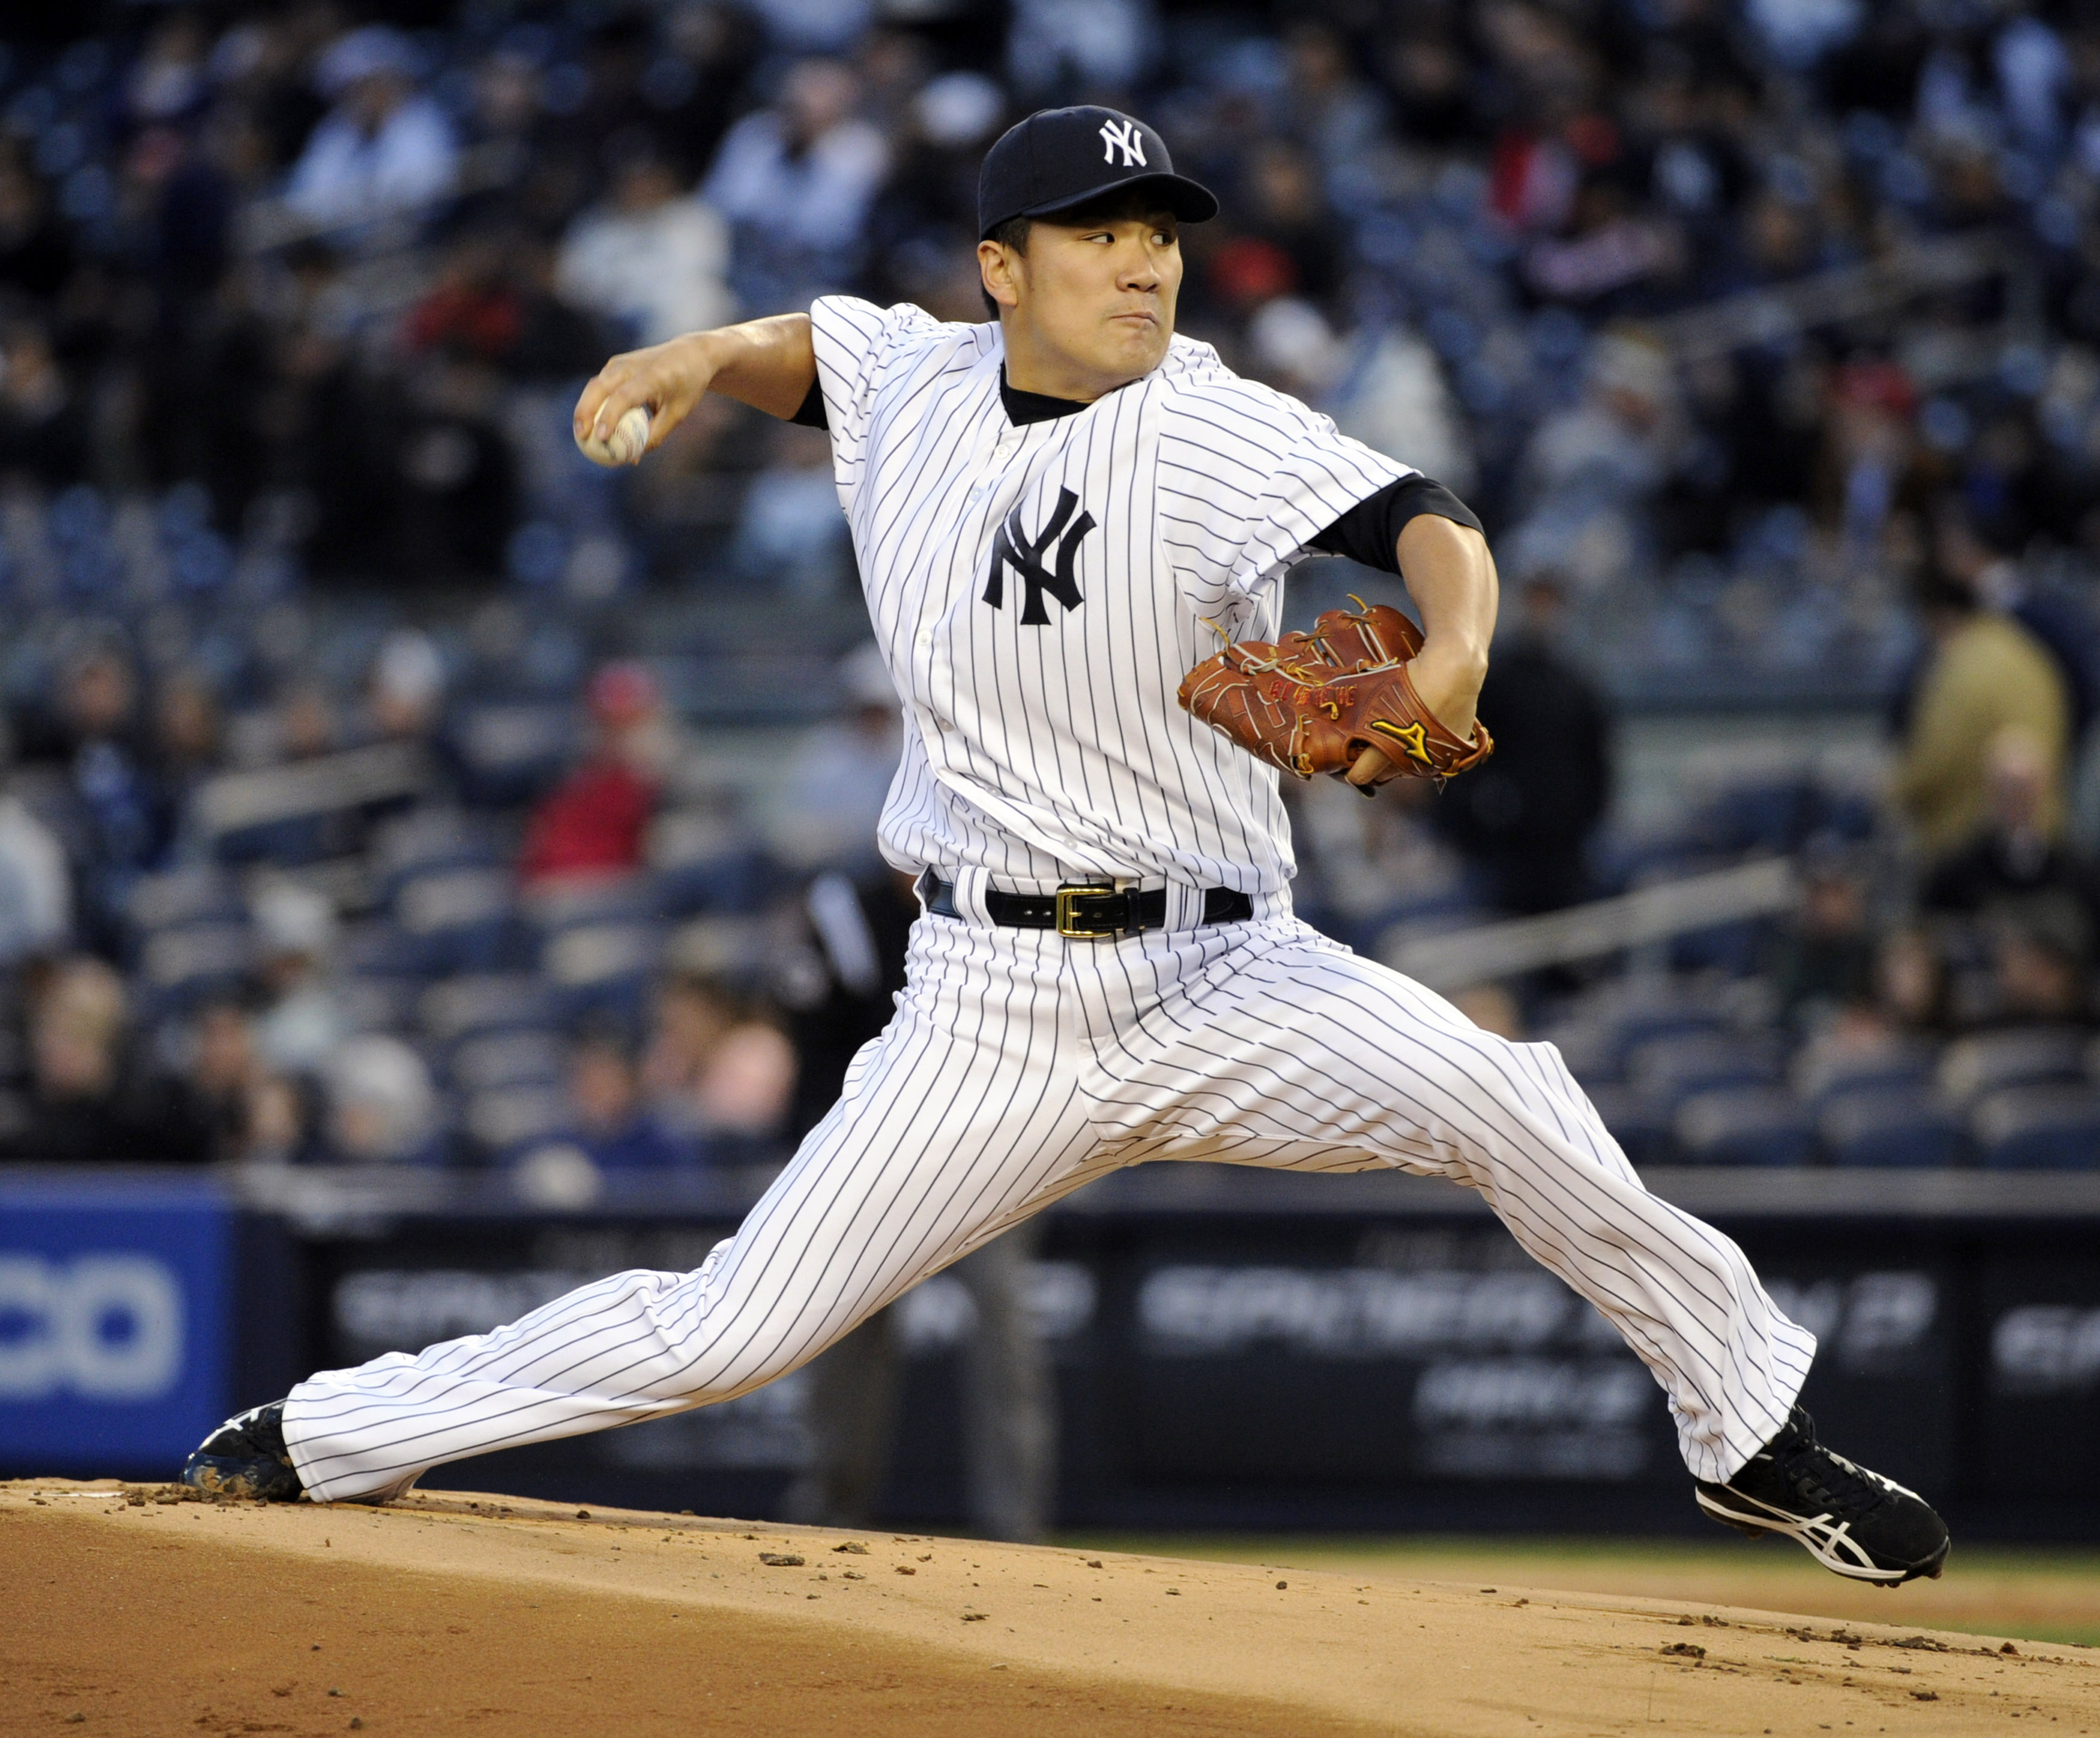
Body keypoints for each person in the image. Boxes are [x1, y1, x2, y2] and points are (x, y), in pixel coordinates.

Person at [184, 106, 1949, 1589]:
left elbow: (1426, 519)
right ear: (1002, 271)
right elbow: (808, 346)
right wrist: (694, 355)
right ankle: (335, 1430)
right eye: (1096, 233)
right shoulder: (917, 381)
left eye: (1159, 231)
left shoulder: (1208, 421)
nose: (1143, 261)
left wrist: (1457, 643)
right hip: (989, 1001)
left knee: (1520, 1097)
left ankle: (1752, 1435)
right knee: (730, 1330)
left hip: (1226, 967)